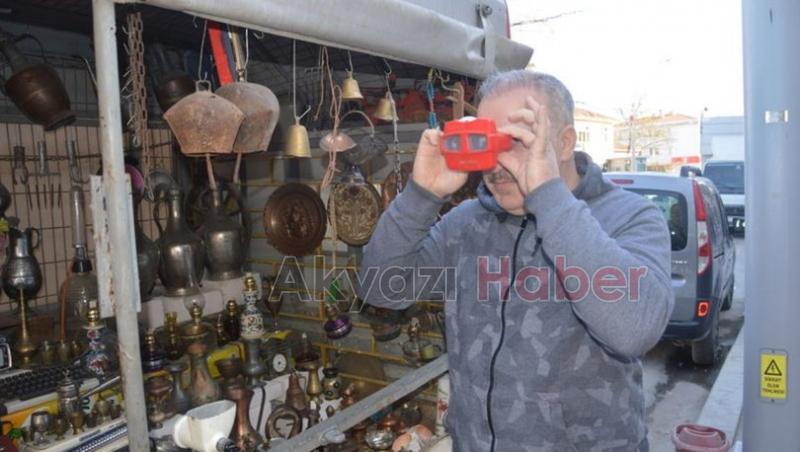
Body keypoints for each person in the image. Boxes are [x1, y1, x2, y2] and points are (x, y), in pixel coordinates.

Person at [358, 70, 673, 451]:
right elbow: (381, 289)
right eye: (487, 142)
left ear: (564, 143)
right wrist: (421, 195)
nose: (496, 162)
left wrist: (547, 195)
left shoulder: (628, 217)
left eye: (515, 141)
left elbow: (634, 330)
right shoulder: (467, 223)